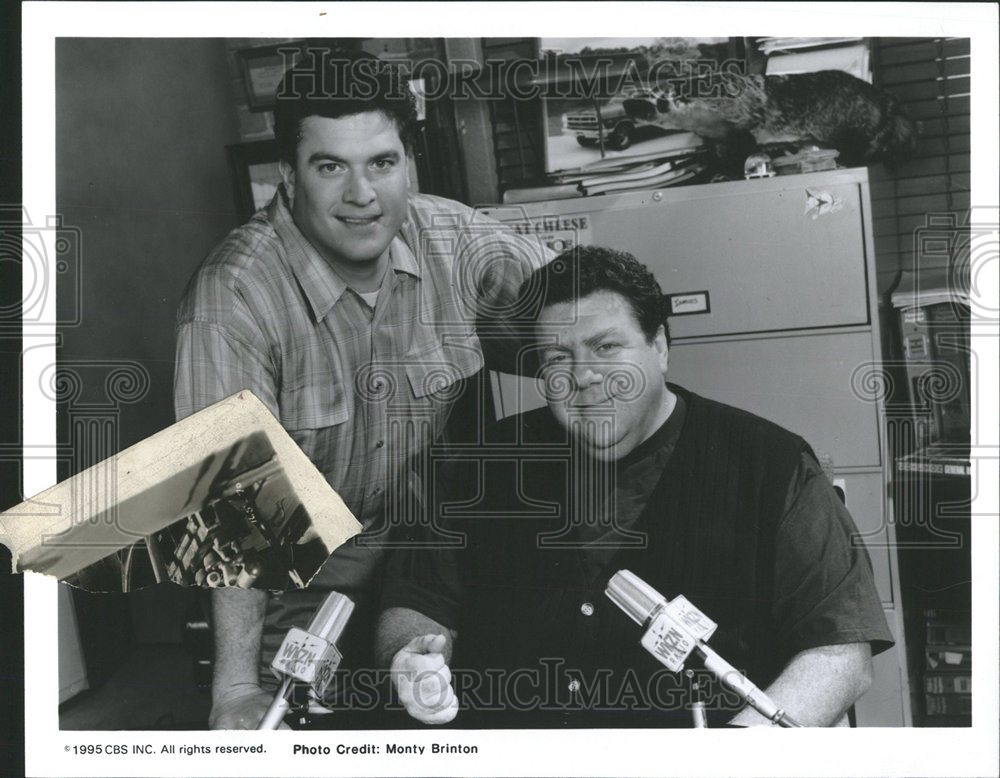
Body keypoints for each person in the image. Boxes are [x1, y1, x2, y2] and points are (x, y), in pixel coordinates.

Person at [174, 48, 546, 729]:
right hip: (301, 584)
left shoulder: (456, 239)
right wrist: (233, 689)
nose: (362, 194)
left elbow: (585, 323)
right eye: (329, 166)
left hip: (435, 562)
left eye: (382, 162)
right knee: (303, 728)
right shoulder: (232, 298)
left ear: (410, 162)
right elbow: (233, 511)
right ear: (286, 176)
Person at [376, 245, 894, 728]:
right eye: (558, 358)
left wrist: (739, 754)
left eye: (606, 347)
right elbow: (416, 601)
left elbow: (840, 654)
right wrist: (410, 657)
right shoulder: (484, 464)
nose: (583, 376)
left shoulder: (770, 466)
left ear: (660, 346)